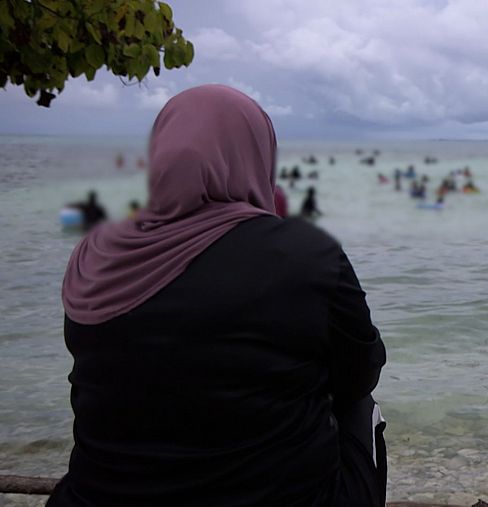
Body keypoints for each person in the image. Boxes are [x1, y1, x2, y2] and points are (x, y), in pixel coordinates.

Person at [50, 85, 387, 507]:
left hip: (92, 499)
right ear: (258, 154)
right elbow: (362, 371)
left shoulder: (95, 256)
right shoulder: (307, 254)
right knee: (360, 404)